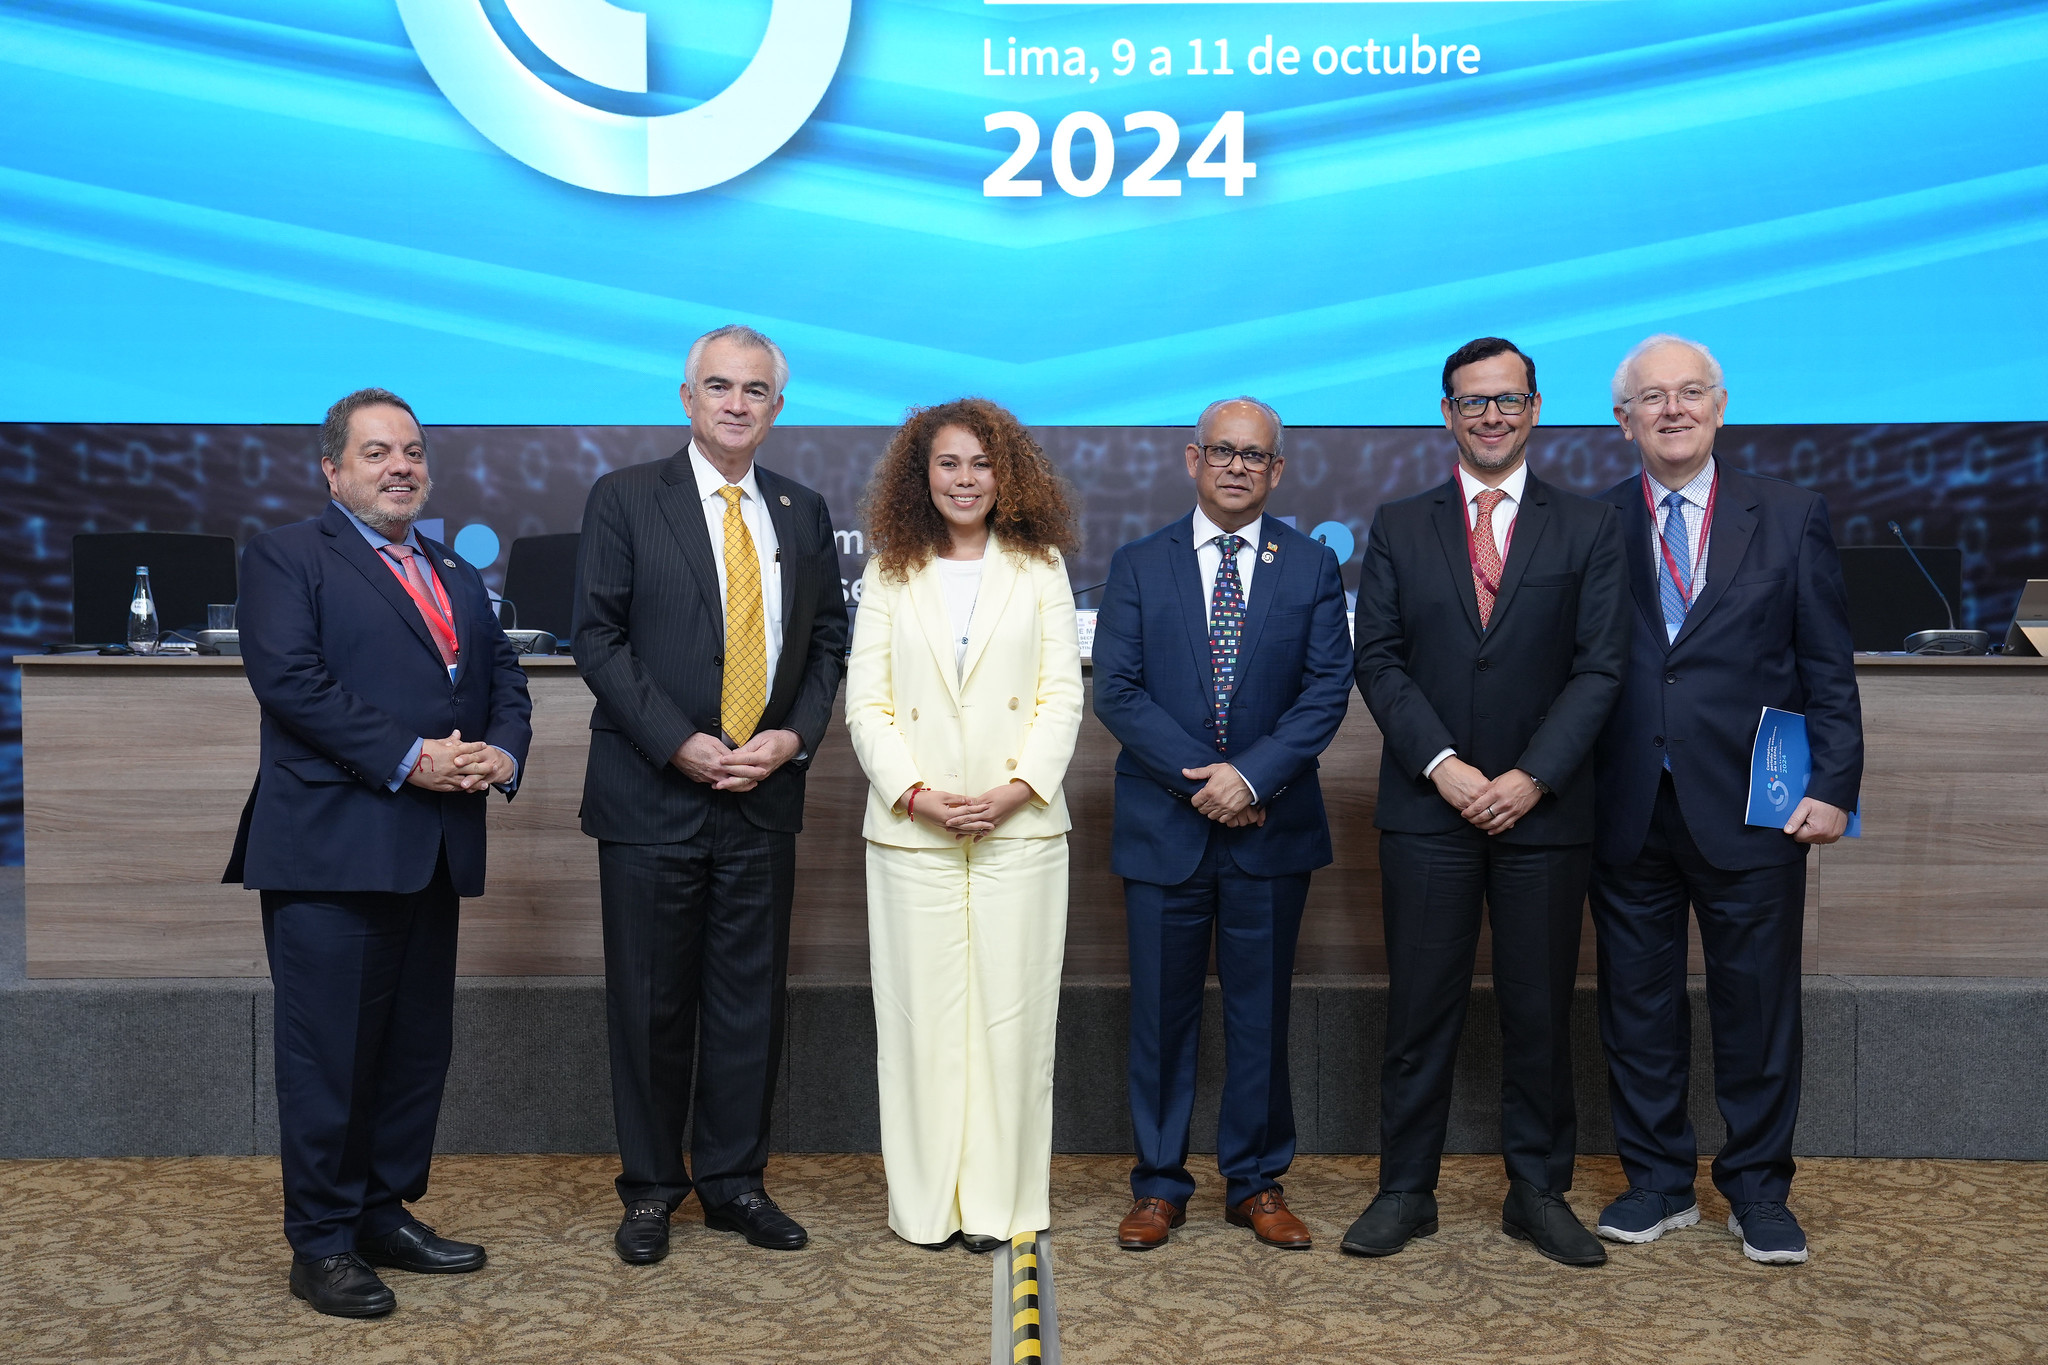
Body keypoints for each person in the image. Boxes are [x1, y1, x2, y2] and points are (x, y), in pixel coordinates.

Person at [225, 388, 532, 1318]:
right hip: (331, 848)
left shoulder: (450, 567)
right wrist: (416, 758)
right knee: (329, 1057)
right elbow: (292, 683)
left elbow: (505, 675)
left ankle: (380, 1211)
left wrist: (502, 750)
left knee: (410, 1051)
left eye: (411, 451)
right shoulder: (284, 557)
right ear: (332, 468)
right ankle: (319, 1241)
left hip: (432, 849)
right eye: (375, 452)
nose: (399, 466)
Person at [1346, 337, 1628, 1267]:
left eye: (1508, 400)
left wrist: (1531, 775)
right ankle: (1405, 1190)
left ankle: (1536, 1193)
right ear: (1447, 413)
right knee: (1420, 1009)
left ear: (1536, 408)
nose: (1492, 416)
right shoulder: (1397, 522)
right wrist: (1444, 764)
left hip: (1544, 812)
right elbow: (1377, 661)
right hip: (1429, 810)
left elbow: (1601, 668)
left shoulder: (1588, 526)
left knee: (1540, 1010)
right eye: (1473, 402)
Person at [572, 325, 850, 1263]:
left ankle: (734, 1181)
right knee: (651, 1003)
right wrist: (678, 742)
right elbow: (598, 639)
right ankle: (651, 1187)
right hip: (652, 794)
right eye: (719, 387)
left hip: (762, 796)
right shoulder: (623, 498)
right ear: (687, 398)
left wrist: (794, 737)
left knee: (749, 1003)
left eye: (756, 390)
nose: (737, 403)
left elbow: (827, 646)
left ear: (779, 407)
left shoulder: (803, 510)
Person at [1588, 335, 1862, 1266]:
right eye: (1652, 396)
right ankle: (1658, 1181)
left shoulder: (1789, 515)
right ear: (1624, 417)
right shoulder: (1591, 524)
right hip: (1623, 803)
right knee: (1638, 1005)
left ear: (1721, 404)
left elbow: (1828, 664)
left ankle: (1757, 1190)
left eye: (1690, 392)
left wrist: (1834, 786)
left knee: (1757, 1006)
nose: (1673, 409)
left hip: (1756, 803)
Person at [1094, 396, 1352, 1252]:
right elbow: (1119, 689)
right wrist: (1202, 780)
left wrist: (1250, 778)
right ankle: (1160, 1182)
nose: (1237, 466)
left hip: (1268, 828)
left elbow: (1325, 693)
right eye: (1222, 451)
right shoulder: (1137, 563)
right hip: (1166, 826)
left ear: (1278, 470)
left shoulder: (1313, 566)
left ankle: (1255, 1180)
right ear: (1192, 459)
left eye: (1255, 455)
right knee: (1160, 1017)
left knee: (1260, 1013)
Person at [844, 398, 1083, 1253]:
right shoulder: (889, 570)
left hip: (1020, 828)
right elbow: (865, 702)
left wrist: (1018, 788)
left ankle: (1000, 1204)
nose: (966, 479)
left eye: (982, 463)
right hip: (914, 830)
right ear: (923, 475)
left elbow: (1062, 693)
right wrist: (916, 792)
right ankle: (926, 1204)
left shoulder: (1041, 564)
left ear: (1006, 473)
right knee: (919, 1021)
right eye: (949, 463)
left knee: (1013, 1021)